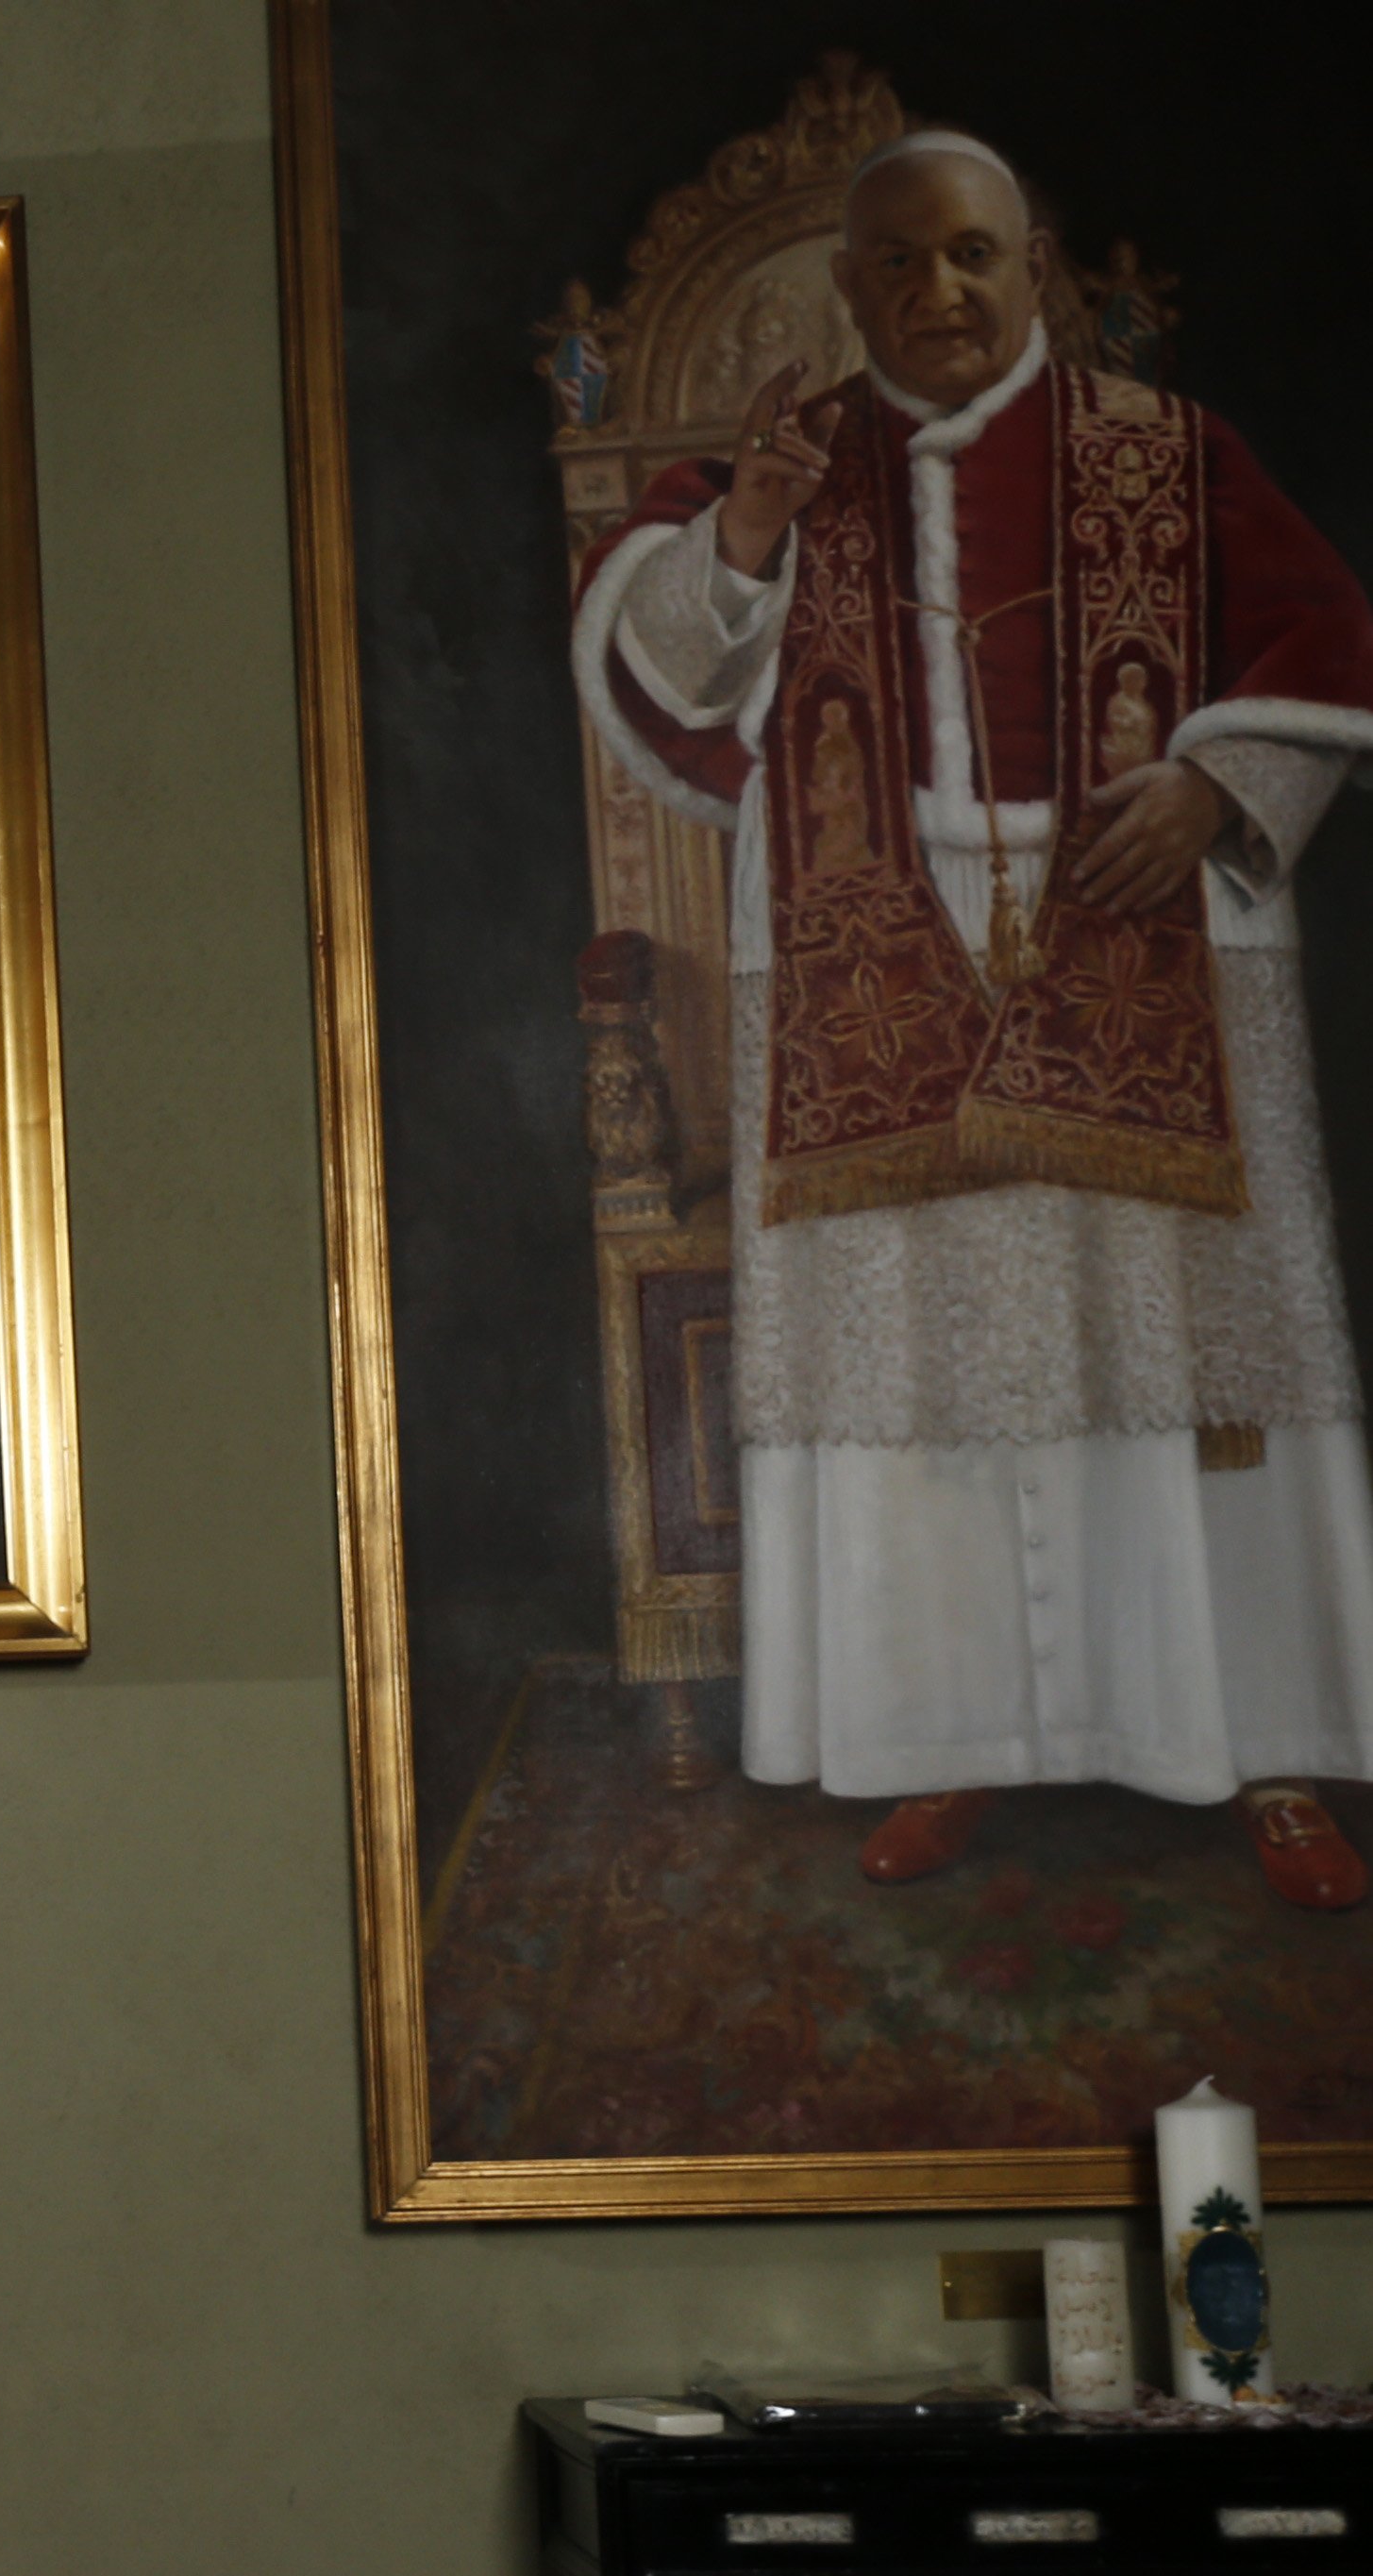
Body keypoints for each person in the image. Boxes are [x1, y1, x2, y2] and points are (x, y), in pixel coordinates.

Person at [574, 130, 1373, 1907]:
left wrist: (1209, 786)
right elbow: (662, 669)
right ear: (849, 287)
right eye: (897, 265)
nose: (937, 293)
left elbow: (1327, 640)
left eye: (973, 257)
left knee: (1188, 1365)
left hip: (1151, 930)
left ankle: (1261, 1745)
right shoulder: (773, 470)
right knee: (934, 1374)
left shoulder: (1169, 455)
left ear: (1036, 271)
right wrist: (755, 531)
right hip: (876, 944)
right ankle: (950, 1743)